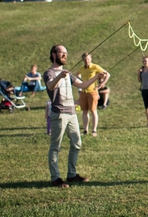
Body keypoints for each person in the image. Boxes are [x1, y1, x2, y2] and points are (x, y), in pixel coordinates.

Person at [44, 45, 106, 188]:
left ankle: (71, 175)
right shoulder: (50, 73)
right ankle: (55, 178)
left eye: (66, 53)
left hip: (71, 113)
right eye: (62, 53)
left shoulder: (69, 74)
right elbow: (50, 86)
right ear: (54, 55)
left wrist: (97, 77)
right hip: (58, 113)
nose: (65, 55)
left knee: (77, 143)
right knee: (55, 147)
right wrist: (60, 75)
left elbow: (83, 85)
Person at [77, 53, 110, 136]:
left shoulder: (95, 67)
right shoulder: (82, 68)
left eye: (88, 59)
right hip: (83, 92)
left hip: (92, 92)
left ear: (90, 59)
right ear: (82, 60)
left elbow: (107, 74)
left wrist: (100, 86)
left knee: (93, 111)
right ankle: (85, 130)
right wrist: (81, 81)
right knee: (84, 111)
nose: (86, 61)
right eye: (85, 59)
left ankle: (94, 130)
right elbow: (77, 74)